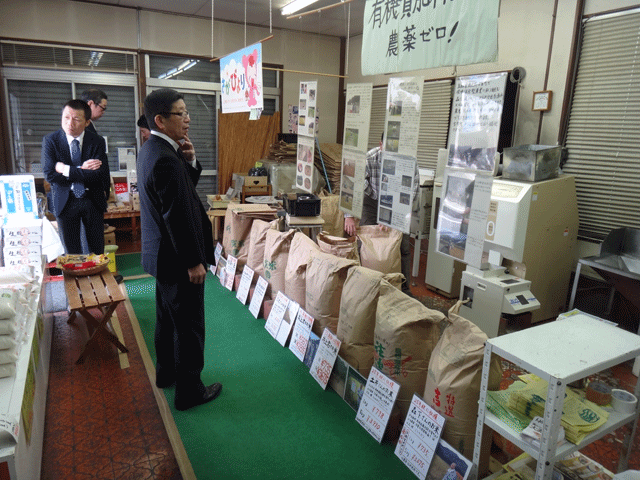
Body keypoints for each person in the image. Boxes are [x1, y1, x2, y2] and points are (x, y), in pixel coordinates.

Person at [137, 88, 221, 411]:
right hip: (178, 259)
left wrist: (191, 161)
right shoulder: (164, 158)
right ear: (160, 119)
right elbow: (177, 214)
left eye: (187, 112)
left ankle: (166, 373)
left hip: (161, 258)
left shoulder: (154, 150)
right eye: (180, 113)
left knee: (167, 319)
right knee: (189, 326)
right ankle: (189, 390)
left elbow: (179, 192)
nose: (187, 119)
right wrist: (193, 262)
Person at [344, 135, 418, 296]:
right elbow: (352, 181)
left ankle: (403, 289)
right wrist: (349, 215)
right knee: (365, 242)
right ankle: (365, 287)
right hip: (372, 201)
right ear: (380, 145)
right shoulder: (370, 158)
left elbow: (412, 191)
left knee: (403, 247)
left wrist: (394, 214)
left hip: (398, 204)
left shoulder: (408, 162)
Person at [42, 99, 110, 255]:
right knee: (71, 252)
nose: (69, 123)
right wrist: (82, 170)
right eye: (66, 117)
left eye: (76, 119)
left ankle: (95, 278)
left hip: (92, 199)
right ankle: (76, 279)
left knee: (96, 251)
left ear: (86, 122)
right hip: (65, 200)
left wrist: (65, 169)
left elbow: (98, 174)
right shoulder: (51, 141)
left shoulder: (97, 141)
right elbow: (50, 175)